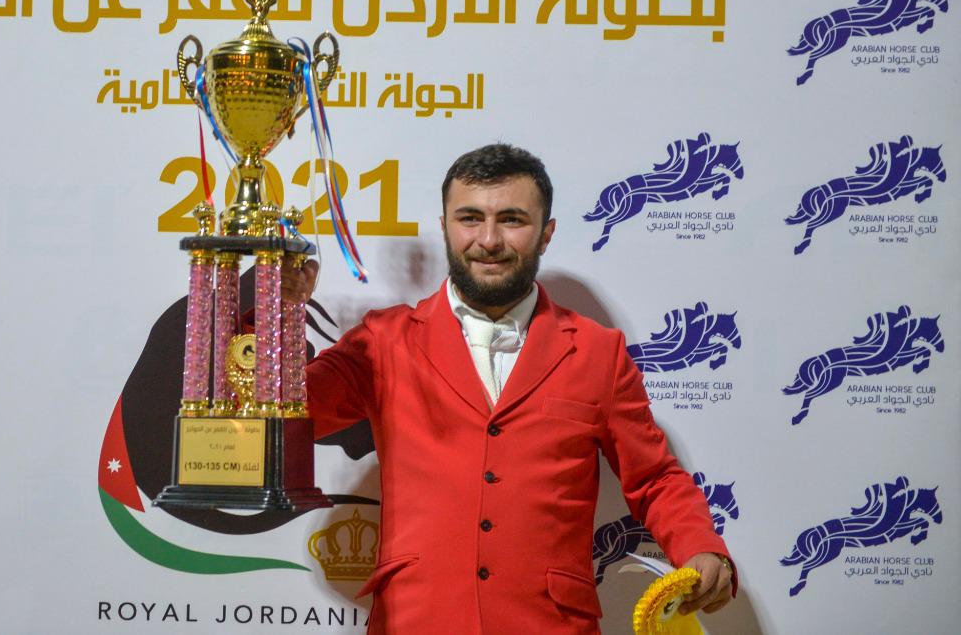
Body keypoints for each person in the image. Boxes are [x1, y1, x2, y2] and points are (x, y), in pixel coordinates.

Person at [289, 143, 735, 635]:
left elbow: (654, 478)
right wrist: (275, 312)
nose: (488, 239)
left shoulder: (598, 352)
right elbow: (287, 411)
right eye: (470, 218)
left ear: (546, 234)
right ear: (444, 227)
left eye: (512, 220)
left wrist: (700, 546)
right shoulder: (383, 340)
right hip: (415, 620)